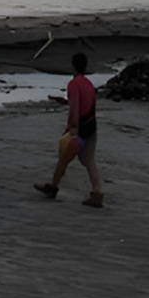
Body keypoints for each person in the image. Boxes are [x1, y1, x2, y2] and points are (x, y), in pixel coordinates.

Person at [38, 52, 105, 207]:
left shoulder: (74, 84)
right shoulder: (88, 83)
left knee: (64, 159)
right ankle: (97, 193)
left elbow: (74, 108)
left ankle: (53, 188)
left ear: (73, 66)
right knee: (88, 161)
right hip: (91, 127)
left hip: (80, 129)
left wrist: (71, 127)